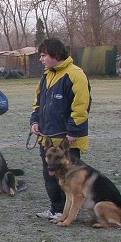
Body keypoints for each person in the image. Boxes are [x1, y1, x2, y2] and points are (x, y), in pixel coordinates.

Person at [30, 37, 90, 220]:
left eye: (43, 55)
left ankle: (70, 212)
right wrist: (35, 120)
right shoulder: (46, 75)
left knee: (70, 179)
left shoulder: (75, 75)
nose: (41, 59)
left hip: (67, 142)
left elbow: (81, 106)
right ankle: (57, 208)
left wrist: (73, 132)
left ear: (56, 55)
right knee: (50, 177)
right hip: (47, 139)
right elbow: (38, 102)